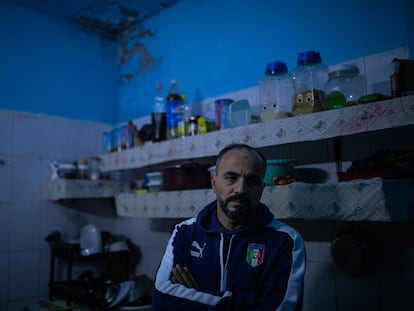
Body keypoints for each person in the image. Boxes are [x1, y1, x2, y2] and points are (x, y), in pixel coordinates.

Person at [152, 143, 306, 310]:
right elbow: (163, 298)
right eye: (231, 178)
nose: (240, 189)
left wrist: (195, 296)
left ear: (262, 188)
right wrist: (250, 301)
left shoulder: (285, 241)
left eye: (252, 181)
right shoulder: (185, 232)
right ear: (214, 183)